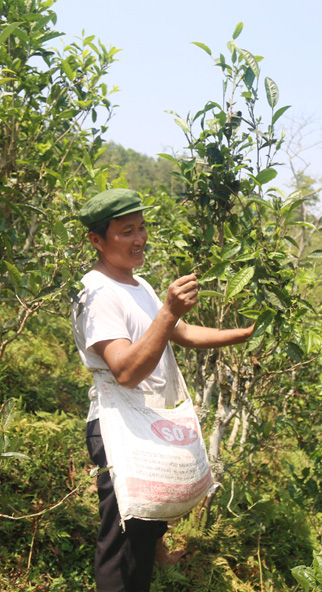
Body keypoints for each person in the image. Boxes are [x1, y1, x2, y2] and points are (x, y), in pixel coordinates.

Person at [71, 188, 253, 592]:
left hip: (149, 421)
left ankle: (153, 560)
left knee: (146, 522)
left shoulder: (141, 285)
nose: (140, 240)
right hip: (119, 424)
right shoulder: (97, 293)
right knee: (121, 544)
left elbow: (182, 333)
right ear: (97, 241)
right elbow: (125, 371)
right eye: (126, 232)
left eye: (142, 228)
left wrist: (244, 335)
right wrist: (169, 310)